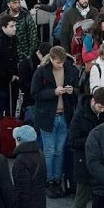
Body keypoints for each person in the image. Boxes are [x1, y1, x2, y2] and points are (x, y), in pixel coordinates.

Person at [30, 45, 80, 198]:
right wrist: (53, 92)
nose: (61, 65)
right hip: (47, 117)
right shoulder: (41, 72)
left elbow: (78, 90)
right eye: (58, 62)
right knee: (50, 151)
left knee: (59, 151)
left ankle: (57, 180)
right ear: (51, 59)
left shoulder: (71, 70)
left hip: (64, 115)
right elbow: (35, 94)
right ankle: (49, 181)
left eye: (62, 62)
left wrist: (72, 91)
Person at [67, 86, 104, 208]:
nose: (101, 110)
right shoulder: (80, 116)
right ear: (93, 101)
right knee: (81, 203)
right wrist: (93, 140)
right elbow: (73, 141)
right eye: (100, 107)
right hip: (84, 164)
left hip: (100, 165)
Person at [0, 14, 20, 136]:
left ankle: (7, 141)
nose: (14, 28)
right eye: (11, 26)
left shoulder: (13, 40)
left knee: (10, 114)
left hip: (12, 84)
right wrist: (8, 76)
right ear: (3, 27)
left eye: (15, 26)